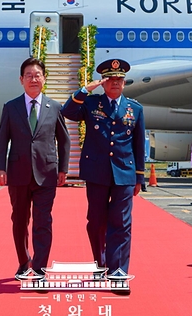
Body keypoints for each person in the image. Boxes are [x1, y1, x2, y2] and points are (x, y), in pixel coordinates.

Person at [61, 58, 145, 286]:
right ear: (103, 82)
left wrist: (139, 176)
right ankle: (100, 264)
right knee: (96, 221)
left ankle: (118, 271)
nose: (115, 83)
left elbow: (138, 145)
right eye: (110, 79)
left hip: (125, 174)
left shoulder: (134, 109)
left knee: (121, 223)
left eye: (119, 79)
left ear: (124, 83)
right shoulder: (91, 103)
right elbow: (67, 111)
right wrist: (84, 90)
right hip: (97, 173)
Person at [0, 58, 70, 278]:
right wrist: (0, 168)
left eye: (37, 75)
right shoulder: (11, 107)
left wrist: (63, 168)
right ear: (21, 80)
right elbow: (2, 141)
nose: (33, 79)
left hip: (46, 174)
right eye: (29, 75)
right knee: (19, 220)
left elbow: (64, 141)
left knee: (43, 221)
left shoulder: (55, 107)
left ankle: (39, 269)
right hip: (18, 174)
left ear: (44, 79)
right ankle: (23, 260)